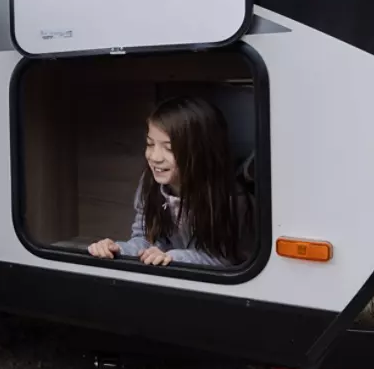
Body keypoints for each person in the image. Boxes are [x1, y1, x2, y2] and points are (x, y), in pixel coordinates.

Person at [87, 95, 254, 267]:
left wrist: (173, 258)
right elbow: (145, 238)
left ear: (200, 152)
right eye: (150, 144)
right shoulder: (150, 183)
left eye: (169, 148)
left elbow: (226, 259)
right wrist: (119, 250)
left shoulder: (229, 197)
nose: (155, 157)